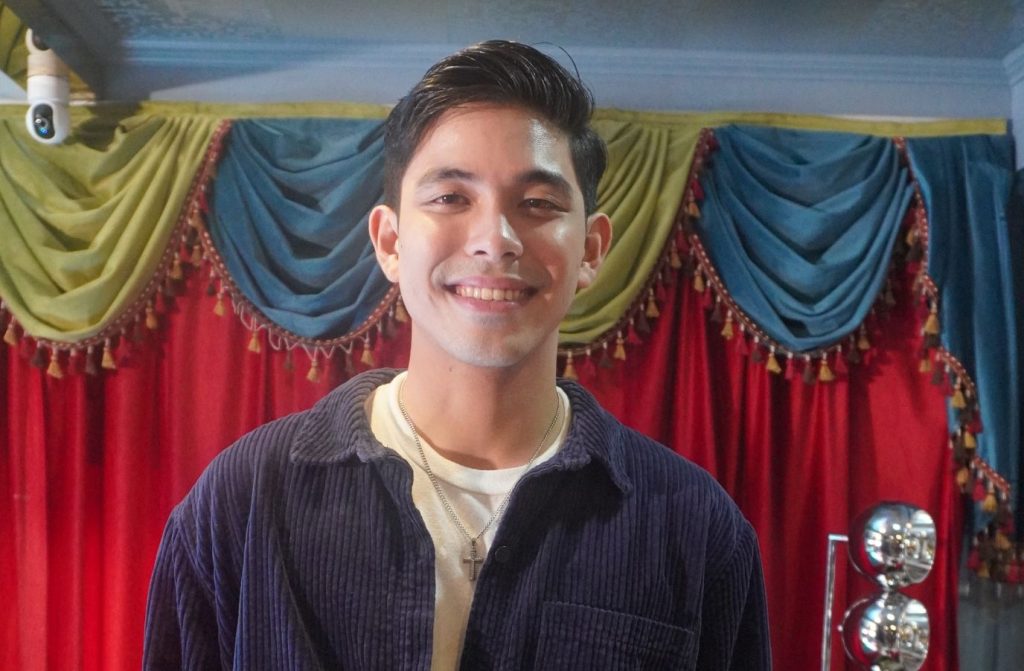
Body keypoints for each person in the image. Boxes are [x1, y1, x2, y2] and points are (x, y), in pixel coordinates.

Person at [143, 40, 771, 670]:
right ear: (390, 242)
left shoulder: (695, 527)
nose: (495, 239)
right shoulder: (245, 499)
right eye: (450, 198)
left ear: (590, 250)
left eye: (538, 204)